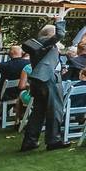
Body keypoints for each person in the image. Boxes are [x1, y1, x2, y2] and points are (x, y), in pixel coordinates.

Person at [21, 18, 68, 151]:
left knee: (38, 112)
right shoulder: (44, 42)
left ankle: (30, 141)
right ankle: (54, 140)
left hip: (37, 80)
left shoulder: (38, 45)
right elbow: (60, 34)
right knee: (55, 110)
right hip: (48, 80)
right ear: (49, 35)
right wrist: (59, 20)